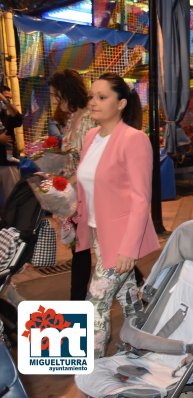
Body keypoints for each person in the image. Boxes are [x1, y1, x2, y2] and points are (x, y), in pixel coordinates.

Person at [75, 72, 159, 358]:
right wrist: (72, 215)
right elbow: (89, 185)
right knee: (129, 301)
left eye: (102, 97)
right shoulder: (90, 137)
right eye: (91, 96)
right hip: (98, 233)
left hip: (121, 240)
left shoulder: (134, 140)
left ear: (121, 103)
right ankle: (144, 352)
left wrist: (128, 248)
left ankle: (90, 375)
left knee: (95, 304)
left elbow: (140, 199)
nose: (93, 102)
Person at [48, 69, 97, 301]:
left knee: (100, 245)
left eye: (57, 96)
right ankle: (77, 300)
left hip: (91, 192)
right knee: (81, 246)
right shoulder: (69, 120)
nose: (55, 102)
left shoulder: (91, 118)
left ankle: (139, 284)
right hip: (73, 194)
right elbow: (71, 157)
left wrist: (70, 181)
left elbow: (93, 159)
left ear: (68, 93)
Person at [0, 85, 22, 205]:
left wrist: (5, 101)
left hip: (8, 164)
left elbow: (19, 120)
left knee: (14, 200)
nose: (7, 100)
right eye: (5, 97)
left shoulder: (8, 113)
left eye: (9, 98)